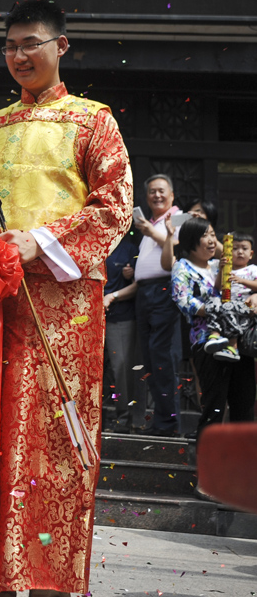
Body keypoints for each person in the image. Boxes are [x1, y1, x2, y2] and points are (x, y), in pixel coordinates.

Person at [0, 0, 132, 597]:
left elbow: (115, 206)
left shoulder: (94, 121)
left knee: (51, 440)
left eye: (31, 44)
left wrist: (37, 244)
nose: (19, 56)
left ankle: (46, 580)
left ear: (60, 46)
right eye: (11, 46)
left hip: (64, 314)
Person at [170, 219, 256, 444]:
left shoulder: (221, 264)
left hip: (239, 342)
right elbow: (183, 299)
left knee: (244, 405)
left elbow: (246, 285)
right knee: (215, 407)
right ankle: (206, 473)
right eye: (205, 236)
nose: (211, 240)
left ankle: (243, 469)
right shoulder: (182, 267)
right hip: (207, 342)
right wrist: (217, 310)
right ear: (190, 241)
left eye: (212, 235)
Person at [133, 174, 182, 437]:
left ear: (172, 195)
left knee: (163, 358)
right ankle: (162, 421)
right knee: (151, 359)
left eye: (161, 191)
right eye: (152, 192)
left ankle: (170, 424)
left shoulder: (180, 218)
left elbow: (178, 246)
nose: (157, 196)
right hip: (145, 294)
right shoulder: (151, 222)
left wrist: (152, 232)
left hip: (164, 290)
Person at [102, 231, 146, 433]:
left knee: (121, 368)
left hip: (119, 316)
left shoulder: (129, 249)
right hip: (86, 317)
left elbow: (141, 284)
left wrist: (115, 294)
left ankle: (124, 418)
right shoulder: (91, 244)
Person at [200, 232, 257, 362]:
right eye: (235, 249)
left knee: (230, 307)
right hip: (225, 303)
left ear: (251, 254)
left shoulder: (253, 269)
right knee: (213, 301)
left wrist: (241, 280)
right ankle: (215, 336)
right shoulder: (226, 269)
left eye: (244, 248)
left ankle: (233, 346)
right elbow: (218, 287)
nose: (240, 252)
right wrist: (221, 270)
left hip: (246, 305)